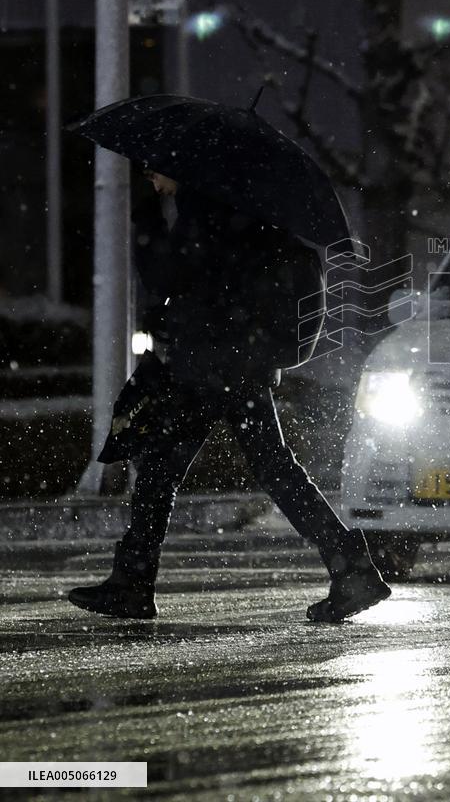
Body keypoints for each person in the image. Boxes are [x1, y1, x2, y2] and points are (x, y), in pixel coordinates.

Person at [68, 170, 391, 622]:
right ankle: (350, 566)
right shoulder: (242, 206)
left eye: (156, 169)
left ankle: (133, 583)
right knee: (261, 468)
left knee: (169, 468)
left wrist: (146, 219)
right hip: (238, 361)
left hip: (211, 365)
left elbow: (167, 275)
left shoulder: (205, 208)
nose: (151, 177)